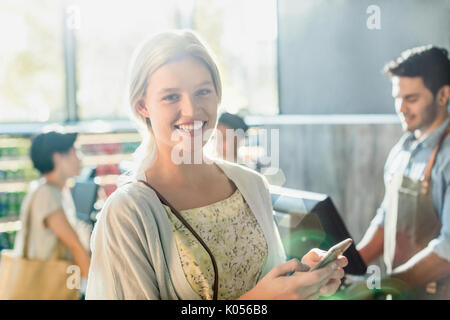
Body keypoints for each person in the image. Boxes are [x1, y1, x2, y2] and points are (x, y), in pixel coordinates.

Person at [85, 30, 347, 300]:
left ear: (218, 97)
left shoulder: (251, 185)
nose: (191, 110)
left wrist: (303, 282)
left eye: (203, 92)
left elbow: (271, 284)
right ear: (143, 106)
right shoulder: (128, 212)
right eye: (171, 97)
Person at [356, 45, 450, 299]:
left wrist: (379, 287)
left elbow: (447, 251)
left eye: (411, 99)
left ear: (443, 95)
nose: (401, 108)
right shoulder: (402, 150)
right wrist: (349, 266)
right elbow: (387, 219)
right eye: (398, 97)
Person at [13, 131, 91, 295]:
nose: (79, 158)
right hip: (46, 289)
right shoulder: (47, 194)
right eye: (74, 151)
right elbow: (75, 245)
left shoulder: (53, 190)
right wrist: (98, 289)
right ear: (57, 157)